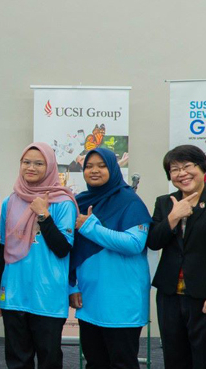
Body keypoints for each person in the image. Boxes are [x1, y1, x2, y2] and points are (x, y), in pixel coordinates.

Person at [0, 142, 77, 369]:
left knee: (49, 359)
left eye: (39, 163)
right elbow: (4, 248)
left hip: (47, 296)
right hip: (14, 294)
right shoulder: (10, 202)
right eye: (26, 162)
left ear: (49, 167)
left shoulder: (63, 203)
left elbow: (62, 248)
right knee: (17, 360)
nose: (31, 167)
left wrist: (44, 214)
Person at [69, 148, 151, 369]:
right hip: (90, 299)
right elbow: (72, 251)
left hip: (121, 302)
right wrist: (72, 286)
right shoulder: (80, 201)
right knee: (95, 363)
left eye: (101, 165)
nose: (94, 170)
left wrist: (89, 226)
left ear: (113, 169)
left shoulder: (130, 201)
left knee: (122, 363)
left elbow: (134, 244)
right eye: (89, 166)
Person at [147, 145, 206, 368]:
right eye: (174, 169)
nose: (182, 173)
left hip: (201, 295)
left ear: (201, 168)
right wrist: (173, 218)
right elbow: (153, 241)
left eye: (187, 166)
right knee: (174, 356)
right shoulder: (165, 202)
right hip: (169, 293)